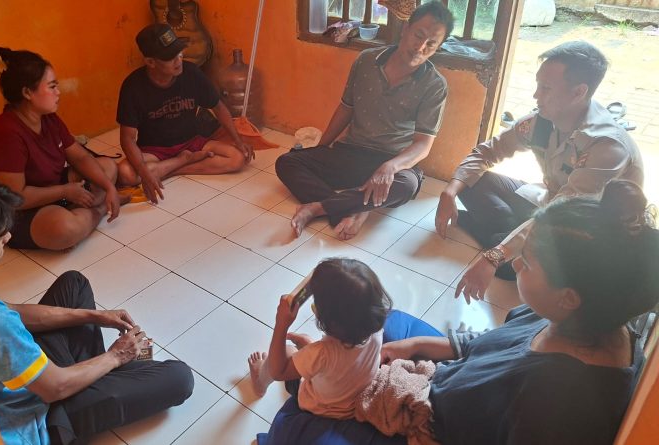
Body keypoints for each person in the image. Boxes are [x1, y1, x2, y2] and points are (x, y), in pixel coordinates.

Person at [260, 179, 658, 445]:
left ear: (568, 296)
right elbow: (483, 346)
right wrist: (412, 346)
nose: (515, 263)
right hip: (439, 385)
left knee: (295, 425)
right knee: (381, 324)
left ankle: (302, 392)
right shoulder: (575, 315)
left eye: (528, 262)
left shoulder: (556, 404)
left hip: (434, 426)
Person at [0, 165, 194, 445]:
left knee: (73, 283)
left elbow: (10, 311)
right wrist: (116, 356)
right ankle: (94, 382)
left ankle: (92, 376)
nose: (8, 236)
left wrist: (94, 315)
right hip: (36, 414)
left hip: (22, 379)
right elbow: (54, 388)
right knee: (179, 377)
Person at [435, 41, 644, 302]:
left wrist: (496, 255)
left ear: (578, 92)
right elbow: (488, 151)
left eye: (545, 88)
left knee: (513, 267)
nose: (535, 95)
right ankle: (513, 237)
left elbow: (562, 212)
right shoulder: (542, 122)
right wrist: (449, 191)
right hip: (548, 202)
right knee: (471, 183)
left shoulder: (606, 146)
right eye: (538, 85)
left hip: (587, 230)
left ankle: (508, 238)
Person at [274, 1, 453, 241]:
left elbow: (423, 144)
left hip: (393, 161)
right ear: (406, 29)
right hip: (351, 152)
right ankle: (355, 208)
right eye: (418, 36)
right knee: (287, 162)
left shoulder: (435, 85)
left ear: (438, 47)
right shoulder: (367, 60)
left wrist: (390, 167)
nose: (420, 47)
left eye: (431, 43)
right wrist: (320, 148)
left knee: (407, 186)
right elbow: (345, 109)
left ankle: (319, 207)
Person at [0, 47, 125, 251]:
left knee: (107, 167)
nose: (58, 92)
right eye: (52, 86)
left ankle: (80, 216)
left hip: (53, 191)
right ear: (27, 92)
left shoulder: (48, 118)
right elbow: (15, 198)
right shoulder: (6, 133)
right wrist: (65, 191)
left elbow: (80, 157)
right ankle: (97, 211)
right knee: (64, 229)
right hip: (18, 212)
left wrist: (109, 188)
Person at [116, 23, 254, 204]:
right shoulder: (133, 87)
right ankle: (183, 161)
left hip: (191, 142)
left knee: (237, 158)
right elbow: (127, 139)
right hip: (154, 150)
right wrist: (144, 172)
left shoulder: (191, 73)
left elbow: (218, 107)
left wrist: (238, 141)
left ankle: (168, 169)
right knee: (125, 173)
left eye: (179, 53)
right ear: (150, 62)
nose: (178, 60)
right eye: (170, 57)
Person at [249, 258, 391, 420]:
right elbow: (343, 360)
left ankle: (260, 383)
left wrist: (281, 324)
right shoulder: (375, 331)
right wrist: (310, 347)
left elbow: (278, 371)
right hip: (353, 396)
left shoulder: (322, 353)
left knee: (288, 351)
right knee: (310, 351)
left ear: (329, 320)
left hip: (322, 407)